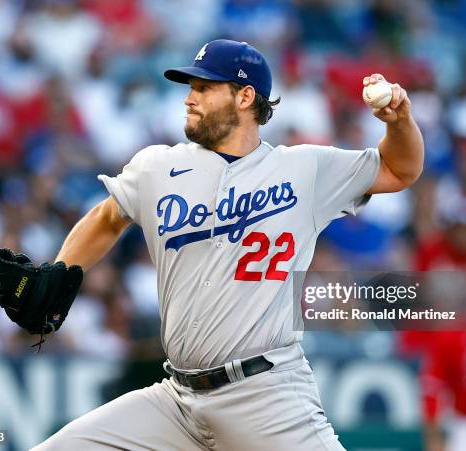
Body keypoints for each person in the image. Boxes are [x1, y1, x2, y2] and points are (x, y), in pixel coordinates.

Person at [33, 39, 424, 450]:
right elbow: (107, 217)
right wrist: (61, 271)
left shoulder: (304, 170)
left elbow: (400, 168)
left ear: (245, 96)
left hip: (265, 396)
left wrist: (399, 122)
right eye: (190, 88)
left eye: (204, 88)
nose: (189, 98)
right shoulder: (158, 167)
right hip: (177, 402)